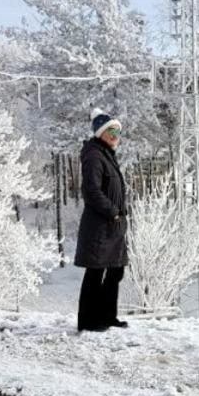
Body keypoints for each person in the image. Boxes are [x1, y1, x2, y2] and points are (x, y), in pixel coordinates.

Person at [75, 109, 129, 332]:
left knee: (115, 271)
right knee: (96, 272)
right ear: (100, 133)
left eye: (118, 130)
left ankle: (107, 317)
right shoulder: (94, 155)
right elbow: (91, 191)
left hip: (112, 227)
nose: (116, 134)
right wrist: (112, 211)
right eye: (111, 130)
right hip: (100, 226)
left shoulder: (106, 154)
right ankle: (88, 321)